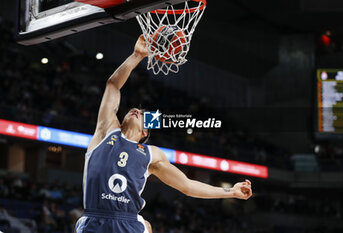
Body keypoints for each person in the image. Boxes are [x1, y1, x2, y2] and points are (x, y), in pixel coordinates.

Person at [75, 35, 253, 233]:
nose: (136, 110)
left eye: (142, 114)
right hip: (95, 219)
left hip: (127, 222)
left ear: (144, 132)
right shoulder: (106, 130)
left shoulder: (151, 154)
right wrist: (136, 56)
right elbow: (113, 86)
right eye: (133, 110)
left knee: (147, 227)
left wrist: (231, 192)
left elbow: (186, 185)